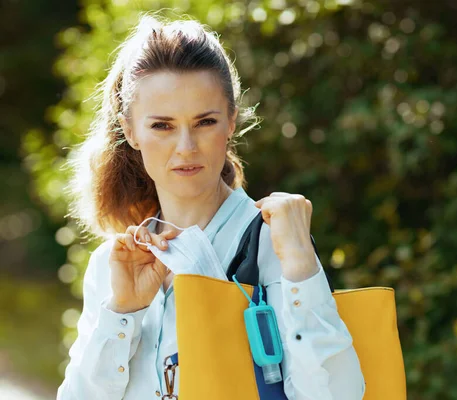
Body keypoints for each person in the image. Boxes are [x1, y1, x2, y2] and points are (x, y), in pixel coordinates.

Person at [56, 13, 365, 400]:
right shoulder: (112, 264)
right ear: (131, 131)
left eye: (204, 122)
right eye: (162, 126)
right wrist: (122, 313)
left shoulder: (276, 242)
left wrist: (303, 269)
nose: (186, 147)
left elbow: (337, 396)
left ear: (231, 121)